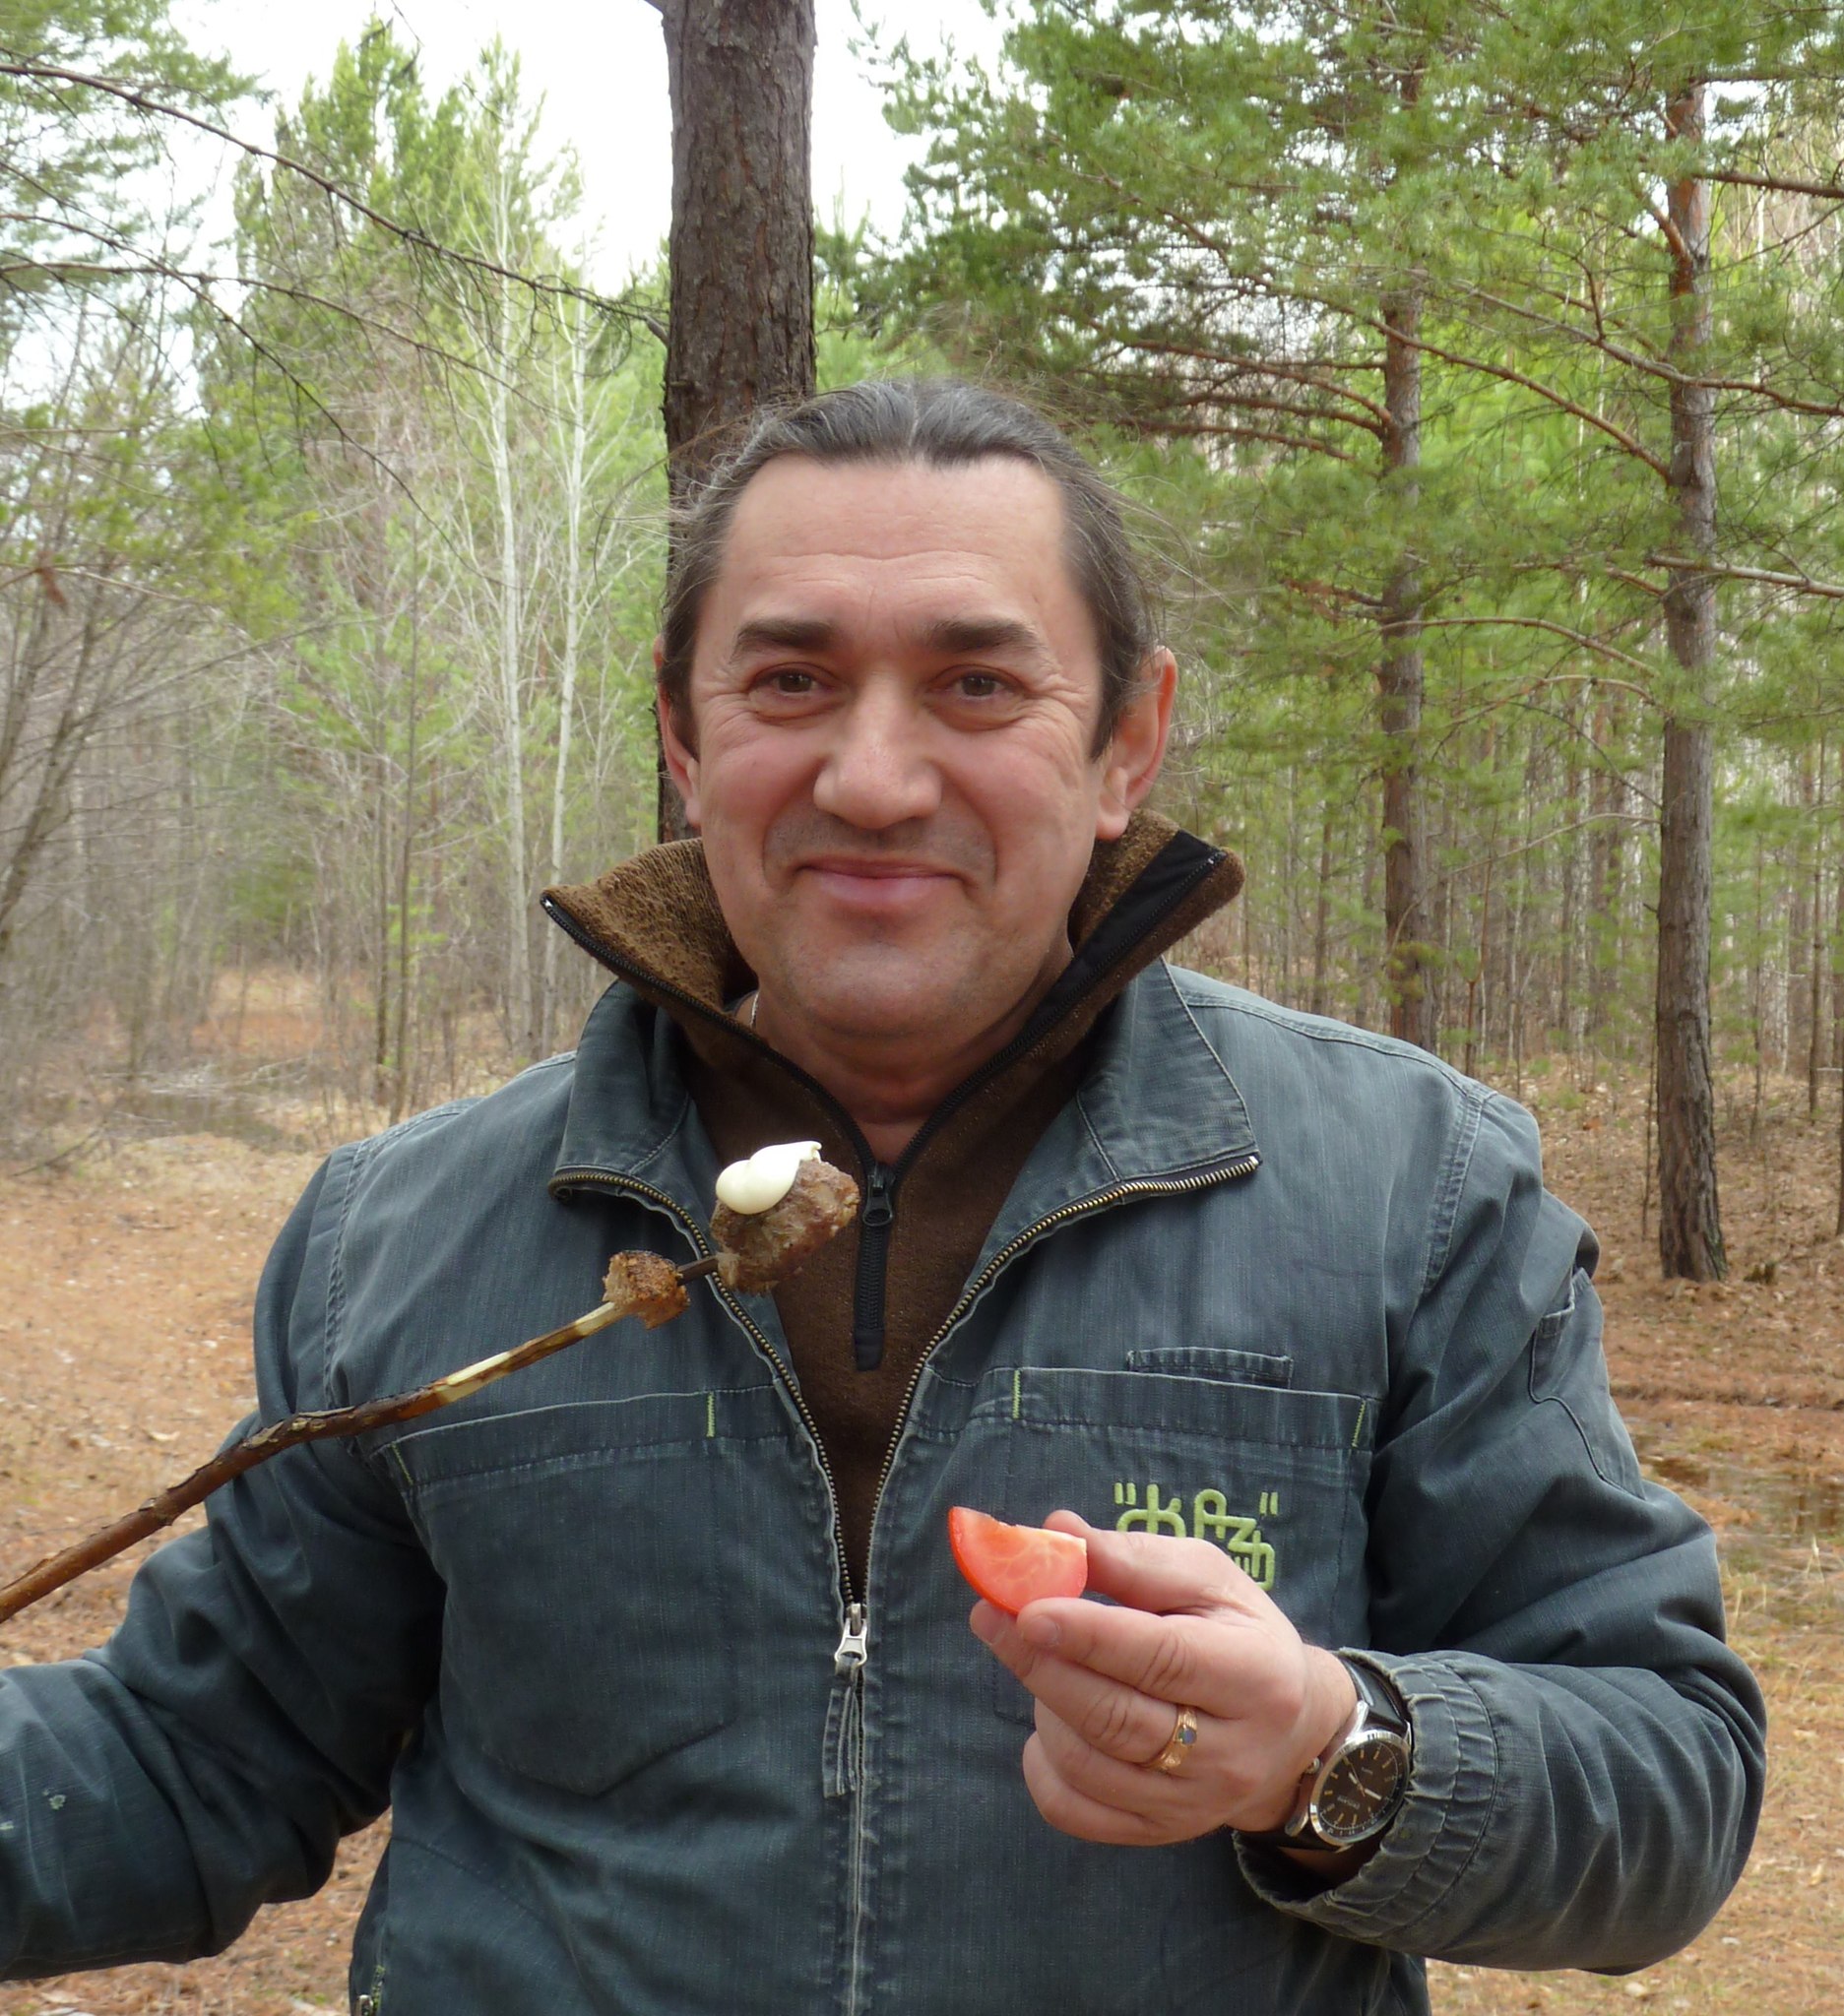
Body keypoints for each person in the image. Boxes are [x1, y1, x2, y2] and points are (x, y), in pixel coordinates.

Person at [0, 379, 1763, 2013]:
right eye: (788, 683)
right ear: (683, 736)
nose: (871, 778)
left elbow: (1666, 1772)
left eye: (978, 686)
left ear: (1128, 741)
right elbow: (197, 1760)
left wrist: (1327, 1745)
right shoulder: (406, 1231)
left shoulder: (1402, 1188)